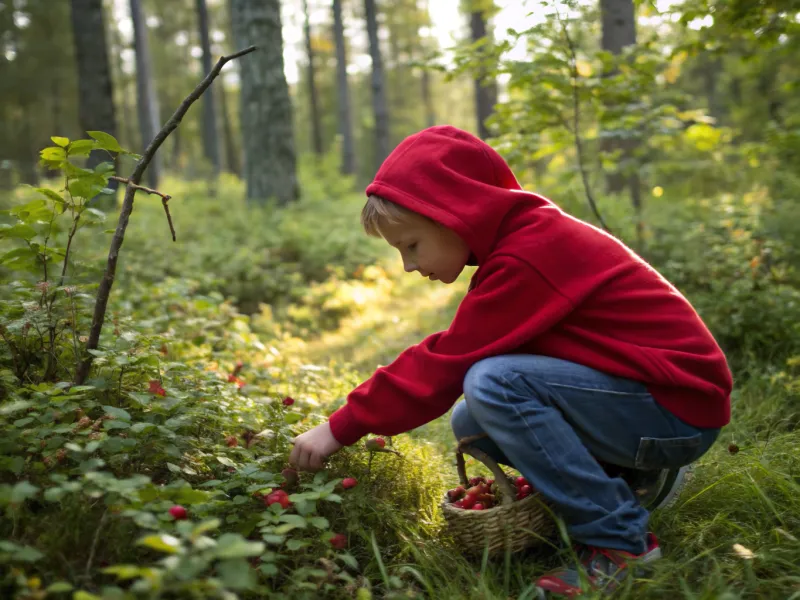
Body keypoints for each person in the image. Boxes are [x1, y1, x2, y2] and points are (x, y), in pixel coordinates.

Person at [288, 125, 732, 597]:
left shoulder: (530, 253)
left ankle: (621, 543)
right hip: (649, 402)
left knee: (492, 383)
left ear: (453, 215)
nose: (409, 266)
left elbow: (447, 360)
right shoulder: (520, 242)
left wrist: (339, 427)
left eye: (411, 245)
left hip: (676, 411)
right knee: (472, 418)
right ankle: (629, 481)